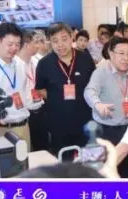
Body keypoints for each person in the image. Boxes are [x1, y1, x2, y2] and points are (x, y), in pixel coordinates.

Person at [34, 23, 96, 156]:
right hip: (59, 123)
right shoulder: (44, 63)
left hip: (85, 121)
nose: (60, 45)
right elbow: (40, 89)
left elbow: (94, 85)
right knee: (63, 162)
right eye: (55, 41)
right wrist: (57, 99)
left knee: (87, 161)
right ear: (50, 42)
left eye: (64, 39)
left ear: (71, 37)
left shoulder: (85, 58)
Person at [84, 36, 128, 178]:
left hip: (126, 130)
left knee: (125, 171)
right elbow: (89, 91)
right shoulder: (101, 72)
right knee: (103, 173)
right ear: (111, 54)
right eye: (121, 53)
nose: (126, 58)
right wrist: (98, 104)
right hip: (105, 130)